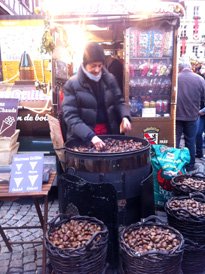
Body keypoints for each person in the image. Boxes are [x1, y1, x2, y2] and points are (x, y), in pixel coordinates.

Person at [62, 42, 131, 150]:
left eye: (100, 65)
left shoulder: (110, 79)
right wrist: (91, 136)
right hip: (83, 140)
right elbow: (71, 117)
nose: (97, 70)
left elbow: (119, 101)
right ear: (85, 64)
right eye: (93, 66)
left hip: (109, 135)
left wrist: (125, 117)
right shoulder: (72, 84)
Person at [176, 58, 205, 172]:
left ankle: (176, 163)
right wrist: (202, 111)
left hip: (177, 115)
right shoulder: (200, 79)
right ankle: (190, 165)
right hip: (193, 116)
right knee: (190, 141)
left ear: (180, 68)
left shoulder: (176, 78)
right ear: (190, 67)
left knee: (176, 141)